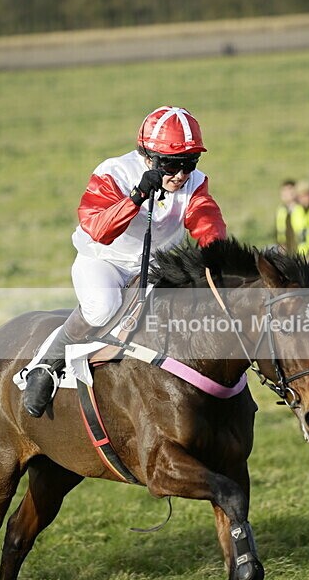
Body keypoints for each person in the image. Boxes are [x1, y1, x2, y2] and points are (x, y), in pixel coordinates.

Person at [24, 105, 227, 418]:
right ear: (148, 156)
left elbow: (204, 217)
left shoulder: (194, 181)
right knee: (103, 307)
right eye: (172, 165)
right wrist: (136, 196)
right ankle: (44, 367)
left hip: (157, 267)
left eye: (190, 163)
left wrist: (216, 252)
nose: (181, 175)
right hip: (104, 261)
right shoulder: (113, 172)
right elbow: (99, 230)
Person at [275, 178, 301, 252]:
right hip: (285, 250)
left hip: (301, 250)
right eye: (284, 191)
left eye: (289, 190)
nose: (286, 193)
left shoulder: (301, 209)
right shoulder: (281, 210)